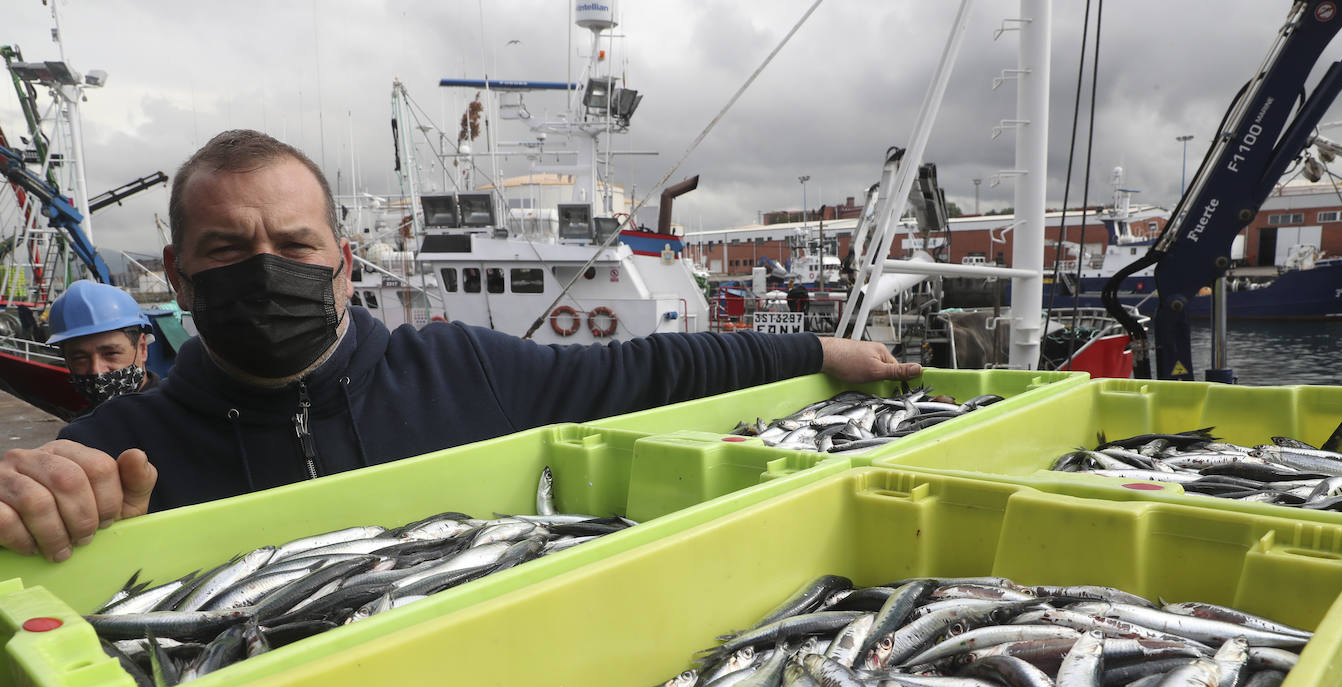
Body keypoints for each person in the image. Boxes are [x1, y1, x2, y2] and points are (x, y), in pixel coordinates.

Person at [0, 129, 920, 563]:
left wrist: (816, 352)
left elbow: (653, 368)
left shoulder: (464, 368)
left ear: (345, 266)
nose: (265, 268)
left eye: (294, 246)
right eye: (229, 251)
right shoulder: (130, 451)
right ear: (180, 274)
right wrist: (35, 498)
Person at [46, 281, 159, 410]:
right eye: (80, 358)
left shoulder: (177, 419)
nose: (97, 370)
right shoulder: (83, 426)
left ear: (142, 348)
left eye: (111, 353)